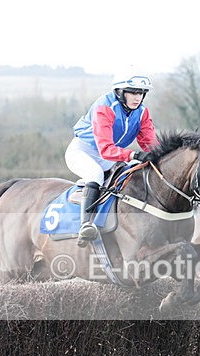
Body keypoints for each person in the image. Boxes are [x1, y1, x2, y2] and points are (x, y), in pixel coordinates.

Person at [64, 70, 159, 246]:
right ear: (119, 91)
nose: (137, 97)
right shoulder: (104, 107)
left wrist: (162, 156)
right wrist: (132, 154)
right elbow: (106, 148)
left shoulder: (142, 112)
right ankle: (86, 225)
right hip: (84, 151)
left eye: (141, 93)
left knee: (135, 170)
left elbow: (151, 143)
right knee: (95, 175)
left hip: (111, 156)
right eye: (133, 92)